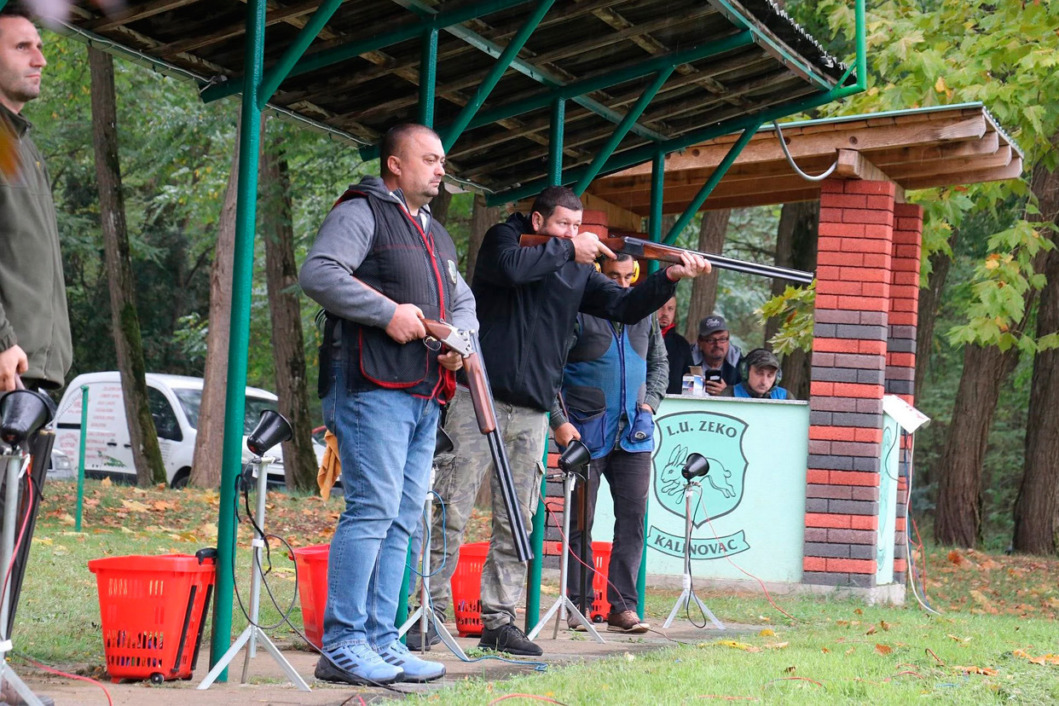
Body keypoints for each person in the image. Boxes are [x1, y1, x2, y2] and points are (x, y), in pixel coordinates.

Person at [421, 186, 708, 657]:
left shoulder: (574, 269)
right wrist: (568, 250)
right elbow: (512, 271)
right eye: (563, 226)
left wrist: (669, 277)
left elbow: (624, 306)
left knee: (516, 521)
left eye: (577, 228)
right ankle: (427, 614)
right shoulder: (503, 241)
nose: (573, 235)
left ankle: (499, 619)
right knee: (450, 510)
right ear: (538, 222)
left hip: (532, 409)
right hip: (479, 398)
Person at [299, 123, 476, 686]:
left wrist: (460, 342)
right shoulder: (363, 211)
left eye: (443, 160)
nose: (441, 168)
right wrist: (386, 311)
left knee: (402, 519)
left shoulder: (437, 234)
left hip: (423, 393)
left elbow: (464, 300)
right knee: (373, 512)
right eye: (429, 158)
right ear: (394, 165)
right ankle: (344, 643)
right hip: (370, 389)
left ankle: (381, 640)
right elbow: (319, 273)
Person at [551, 254, 667, 634]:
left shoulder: (645, 314)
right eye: (612, 276)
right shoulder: (578, 310)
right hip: (586, 432)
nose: (620, 284)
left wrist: (649, 403)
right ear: (599, 275)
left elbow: (659, 364)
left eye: (627, 276)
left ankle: (623, 607)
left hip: (634, 433)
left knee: (632, 521)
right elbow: (551, 370)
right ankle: (578, 605)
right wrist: (561, 420)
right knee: (580, 522)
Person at [0, 4, 71, 393]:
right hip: (7, 366)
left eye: (39, 46)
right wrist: (2, 341)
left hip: (30, 376)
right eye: (22, 47)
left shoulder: (27, 149)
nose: (40, 60)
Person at [690, 314, 742, 395]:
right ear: (700, 342)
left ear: (728, 340)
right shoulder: (686, 360)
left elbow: (747, 397)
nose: (717, 344)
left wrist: (727, 392)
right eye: (711, 340)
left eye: (722, 339)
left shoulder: (740, 364)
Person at [656, 296, 691, 395]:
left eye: (670, 309)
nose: (665, 313)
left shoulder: (682, 344)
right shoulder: (639, 339)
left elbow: (691, 376)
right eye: (660, 307)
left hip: (674, 406)